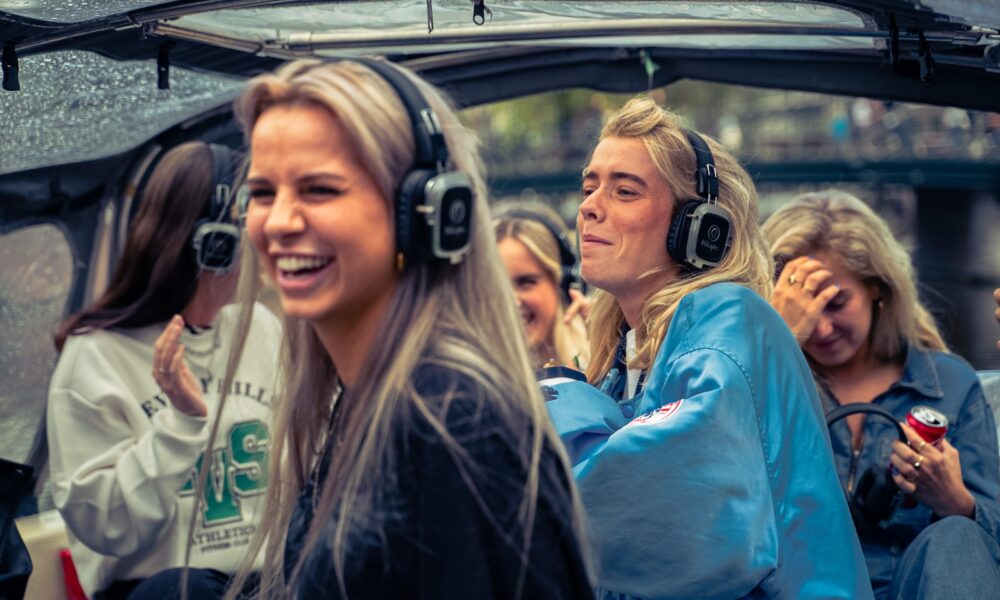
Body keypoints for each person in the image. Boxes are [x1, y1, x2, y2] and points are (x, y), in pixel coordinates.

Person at [201, 58, 592, 599]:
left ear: (426, 212)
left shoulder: (453, 423)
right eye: (263, 193)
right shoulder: (370, 397)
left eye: (319, 189)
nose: (280, 221)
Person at [544, 97, 871, 599]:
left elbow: (644, 515)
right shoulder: (622, 362)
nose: (589, 205)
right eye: (589, 187)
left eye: (625, 190)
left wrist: (559, 392)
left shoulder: (731, 319)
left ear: (699, 229)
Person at [45, 142, 281, 599]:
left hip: (266, 581)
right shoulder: (95, 357)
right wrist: (181, 425)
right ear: (215, 244)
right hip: (164, 589)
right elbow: (104, 527)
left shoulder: (262, 330)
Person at [763, 190, 1000, 599]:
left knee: (957, 536)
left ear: (878, 289)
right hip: (803, 589)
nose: (821, 329)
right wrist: (776, 340)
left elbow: (989, 540)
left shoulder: (950, 386)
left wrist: (956, 502)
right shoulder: (761, 381)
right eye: (803, 311)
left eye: (836, 304)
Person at [494, 202, 590, 369]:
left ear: (564, 287)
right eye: (496, 286)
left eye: (525, 282)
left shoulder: (606, 371)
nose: (512, 301)